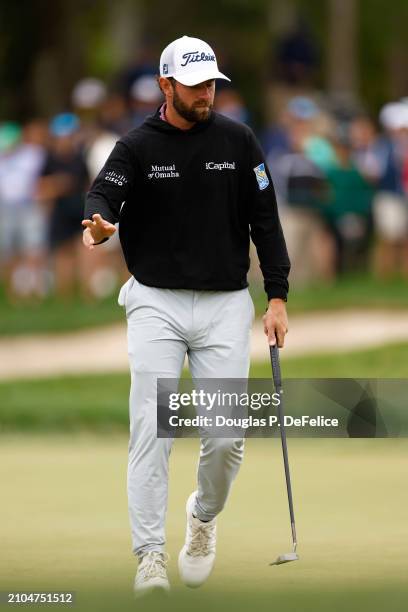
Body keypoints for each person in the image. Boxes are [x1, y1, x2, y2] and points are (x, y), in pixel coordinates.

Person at [82, 35, 290, 596]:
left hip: (225, 302)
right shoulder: (137, 145)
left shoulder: (239, 140)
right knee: (153, 429)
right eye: (196, 85)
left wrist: (276, 297)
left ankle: (201, 518)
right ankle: (149, 554)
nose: (207, 94)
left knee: (227, 439)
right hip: (155, 301)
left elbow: (265, 219)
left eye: (212, 84)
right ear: (166, 85)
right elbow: (104, 193)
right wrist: (99, 223)